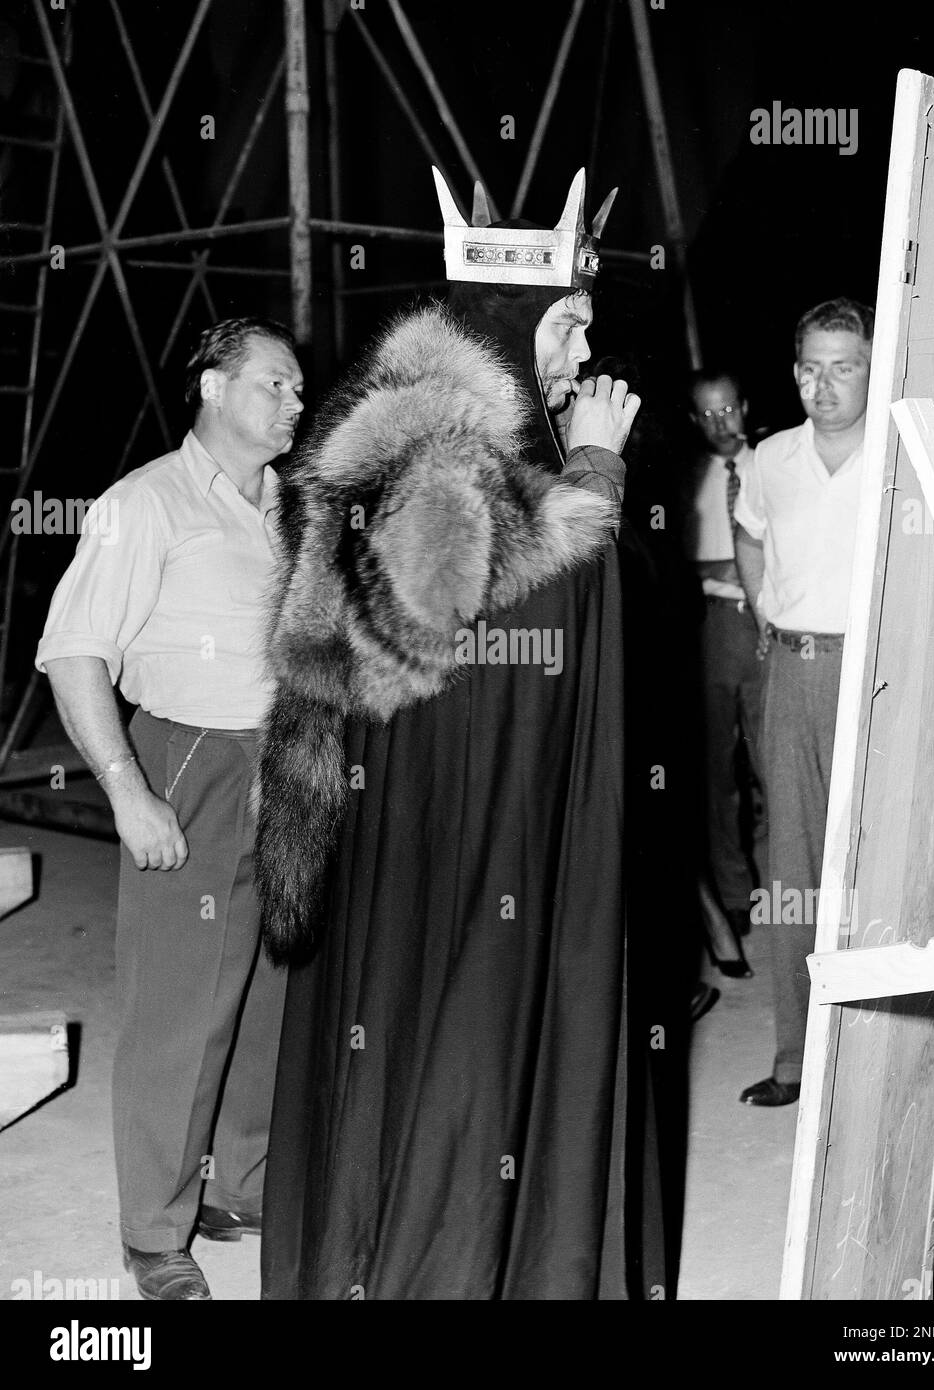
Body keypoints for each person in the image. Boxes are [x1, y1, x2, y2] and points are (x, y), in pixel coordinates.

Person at [255, 169, 652, 1299]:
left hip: (410, 808)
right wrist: (595, 469)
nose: (578, 358)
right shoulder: (445, 454)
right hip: (458, 818)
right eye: (567, 328)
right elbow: (503, 622)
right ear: (508, 322)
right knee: (458, 1030)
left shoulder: (392, 429)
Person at [35, 318, 303, 1298]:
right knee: (178, 1009)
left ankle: (240, 1186)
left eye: (297, 389)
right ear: (212, 387)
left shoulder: (288, 506)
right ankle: (153, 1232)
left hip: (278, 761)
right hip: (186, 756)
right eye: (275, 383)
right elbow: (73, 653)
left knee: (268, 991)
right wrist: (127, 790)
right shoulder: (140, 503)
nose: (294, 402)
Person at [734, 297, 873, 1106]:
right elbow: (748, 531)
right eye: (811, 369)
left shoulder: (897, 451)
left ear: (868, 367)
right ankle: (796, 1054)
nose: (825, 385)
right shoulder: (771, 457)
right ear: (794, 374)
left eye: (843, 366)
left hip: (874, 674)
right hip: (791, 671)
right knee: (792, 869)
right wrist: (760, 605)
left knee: (876, 864)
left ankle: (879, 1057)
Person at [683, 368, 765, 968]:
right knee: (718, 775)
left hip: (775, 631)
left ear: (744, 406)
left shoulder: (780, 463)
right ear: (695, 420)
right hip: (715, 630)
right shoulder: (687, 482)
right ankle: (735, 893)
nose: (721, 423)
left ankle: (800, 891)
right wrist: (723, 573)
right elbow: (676, 566)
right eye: (707, 414)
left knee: (777, 768)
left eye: (728, 409)